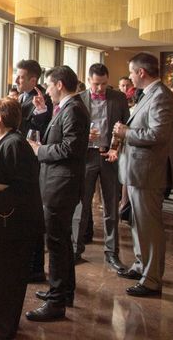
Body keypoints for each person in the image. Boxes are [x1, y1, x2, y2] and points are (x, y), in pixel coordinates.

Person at [0, 98, 44, 340]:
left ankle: (4, 327)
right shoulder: (1, 142)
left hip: (13, 225)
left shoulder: (15, 145)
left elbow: (24, 189)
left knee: (9, 277)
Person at [26, 66, 90, 322]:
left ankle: (56, 303)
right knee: (60, 240)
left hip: (61, 185)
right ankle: (64, 292)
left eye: (49, 85)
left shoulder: (73, 109)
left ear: (60, 85)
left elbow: (69, 148)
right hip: (58, 183)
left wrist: (38, 150)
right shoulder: (66, 107)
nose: (47, 90)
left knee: (56, 243)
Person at [111, 52, 173, 297]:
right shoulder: (148, 95)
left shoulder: (161, 96)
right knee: (139, 224)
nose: (129, 76)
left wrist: (126, 133)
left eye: (131, 72)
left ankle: (151, 279)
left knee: (149, 227)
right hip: (138, 170)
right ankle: (141, 265)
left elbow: (157, 135)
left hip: (149, 172)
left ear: (141, 72)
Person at [72, 63, 129, 272]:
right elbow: (71, 131)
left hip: (110, 156)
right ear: (88, 81)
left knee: (111, 206)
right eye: (96, 84)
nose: (100, 88)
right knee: (82, 204)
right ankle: (76, 249)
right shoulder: (79, 100)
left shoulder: (119, 98)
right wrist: (84, 137)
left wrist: (118, 147)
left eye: (104, 84)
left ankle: (112, 253)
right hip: (86, 156)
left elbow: (125, 129)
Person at [15, 59, 52, 283]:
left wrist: (40, 111)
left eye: (20, 77)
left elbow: (40, 129)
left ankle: (36, 267)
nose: (16, 80)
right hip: (21, 162)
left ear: (33, 80)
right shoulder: (20, 97)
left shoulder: (42, 100)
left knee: (33, 216)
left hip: (33, 164)